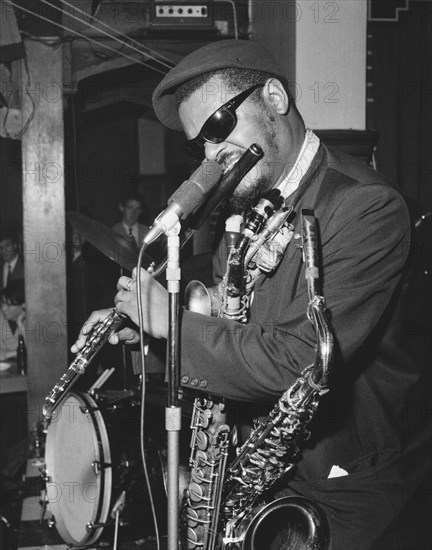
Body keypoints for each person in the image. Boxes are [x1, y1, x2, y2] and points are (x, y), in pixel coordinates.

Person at [72, 40, 430, 549]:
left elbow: (302, 362)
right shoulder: (246, 211)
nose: (212, 153)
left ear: (276, 98)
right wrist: (146, 324)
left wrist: (168, 322)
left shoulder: (366, 207)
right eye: (200, 143)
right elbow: (232, 314)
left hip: (349, 491)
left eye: (218, 126)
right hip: (264, 475)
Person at [0, 279, 25, 362]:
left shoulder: (33, 320)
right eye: (3, 303)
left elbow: (35, 351)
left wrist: (19, 322)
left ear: (23, 305)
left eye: (9, 305)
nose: (4, 308)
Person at [0, 225, 24, 292]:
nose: (3, 251)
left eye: (7, 246)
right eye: (0, 247)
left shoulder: (26, 266)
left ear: (15, 246)